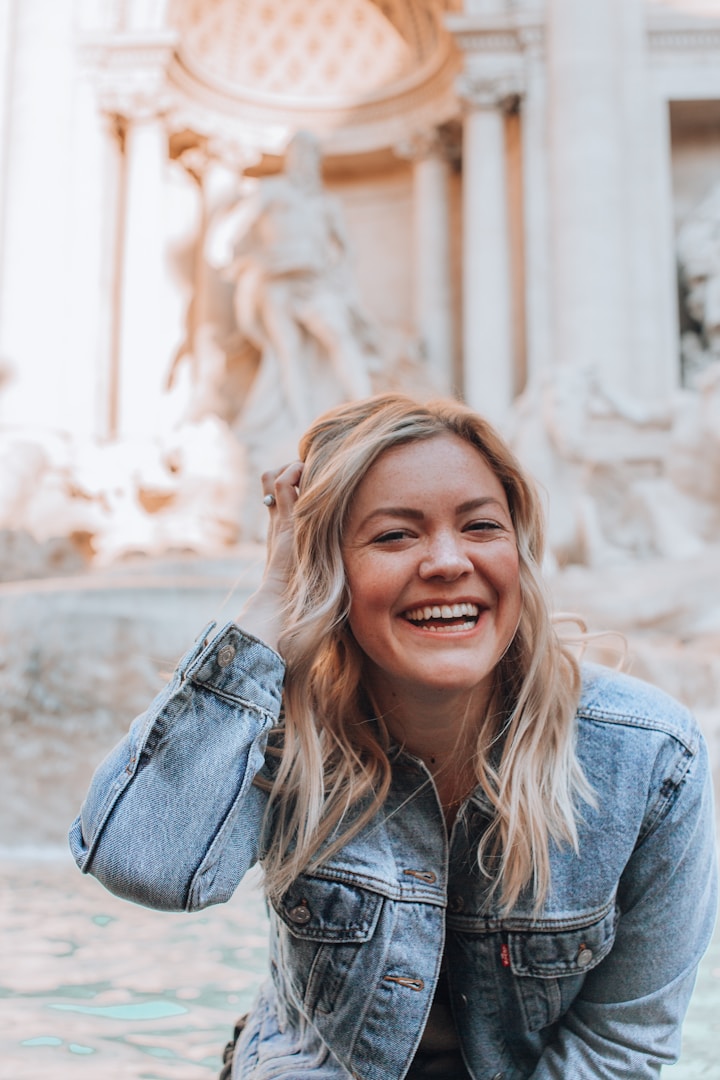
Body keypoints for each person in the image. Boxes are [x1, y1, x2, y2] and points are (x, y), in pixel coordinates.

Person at [70, 393, 717, 1080]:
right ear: (330, 570)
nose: (446, 561)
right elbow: (144, 866)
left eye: (480, 527)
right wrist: (271, 607)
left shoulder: (650, 756)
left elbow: (620, 1048)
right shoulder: (283, 730)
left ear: (519, 555)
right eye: (394, 536)